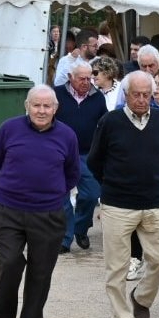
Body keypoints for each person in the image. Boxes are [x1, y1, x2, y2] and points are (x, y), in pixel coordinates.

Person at [0, 86, 80, 318]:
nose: (41, 111)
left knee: (40, 273)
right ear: (27, 106)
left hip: (48, 213)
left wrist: (50, 194)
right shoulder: (9, 129)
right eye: (36, 105)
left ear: (55, 109)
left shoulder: (67, 135)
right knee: (9, 263)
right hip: (9, 209)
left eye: (47, 106)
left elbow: (72, 173)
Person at [87, 72, 159, 318]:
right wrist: (113, 184)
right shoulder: (110, 121)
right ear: (125, 94)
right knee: (117, 266)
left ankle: (142, 297)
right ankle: (121, 317)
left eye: (147, 94)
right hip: (118, 203)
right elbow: (94, 160)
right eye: (136, 94)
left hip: (155, 200)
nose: (142, 99)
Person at [53, 60, 106, 252]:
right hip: (59, 153)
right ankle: (65, 239)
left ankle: (81, 228)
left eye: (89, 78)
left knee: (91, 194)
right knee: (62, 197)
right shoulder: (57, 94)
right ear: (70, 78)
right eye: (81, 78)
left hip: (86, 153)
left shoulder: (97, 97)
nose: (86, 82)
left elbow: (103, 125)